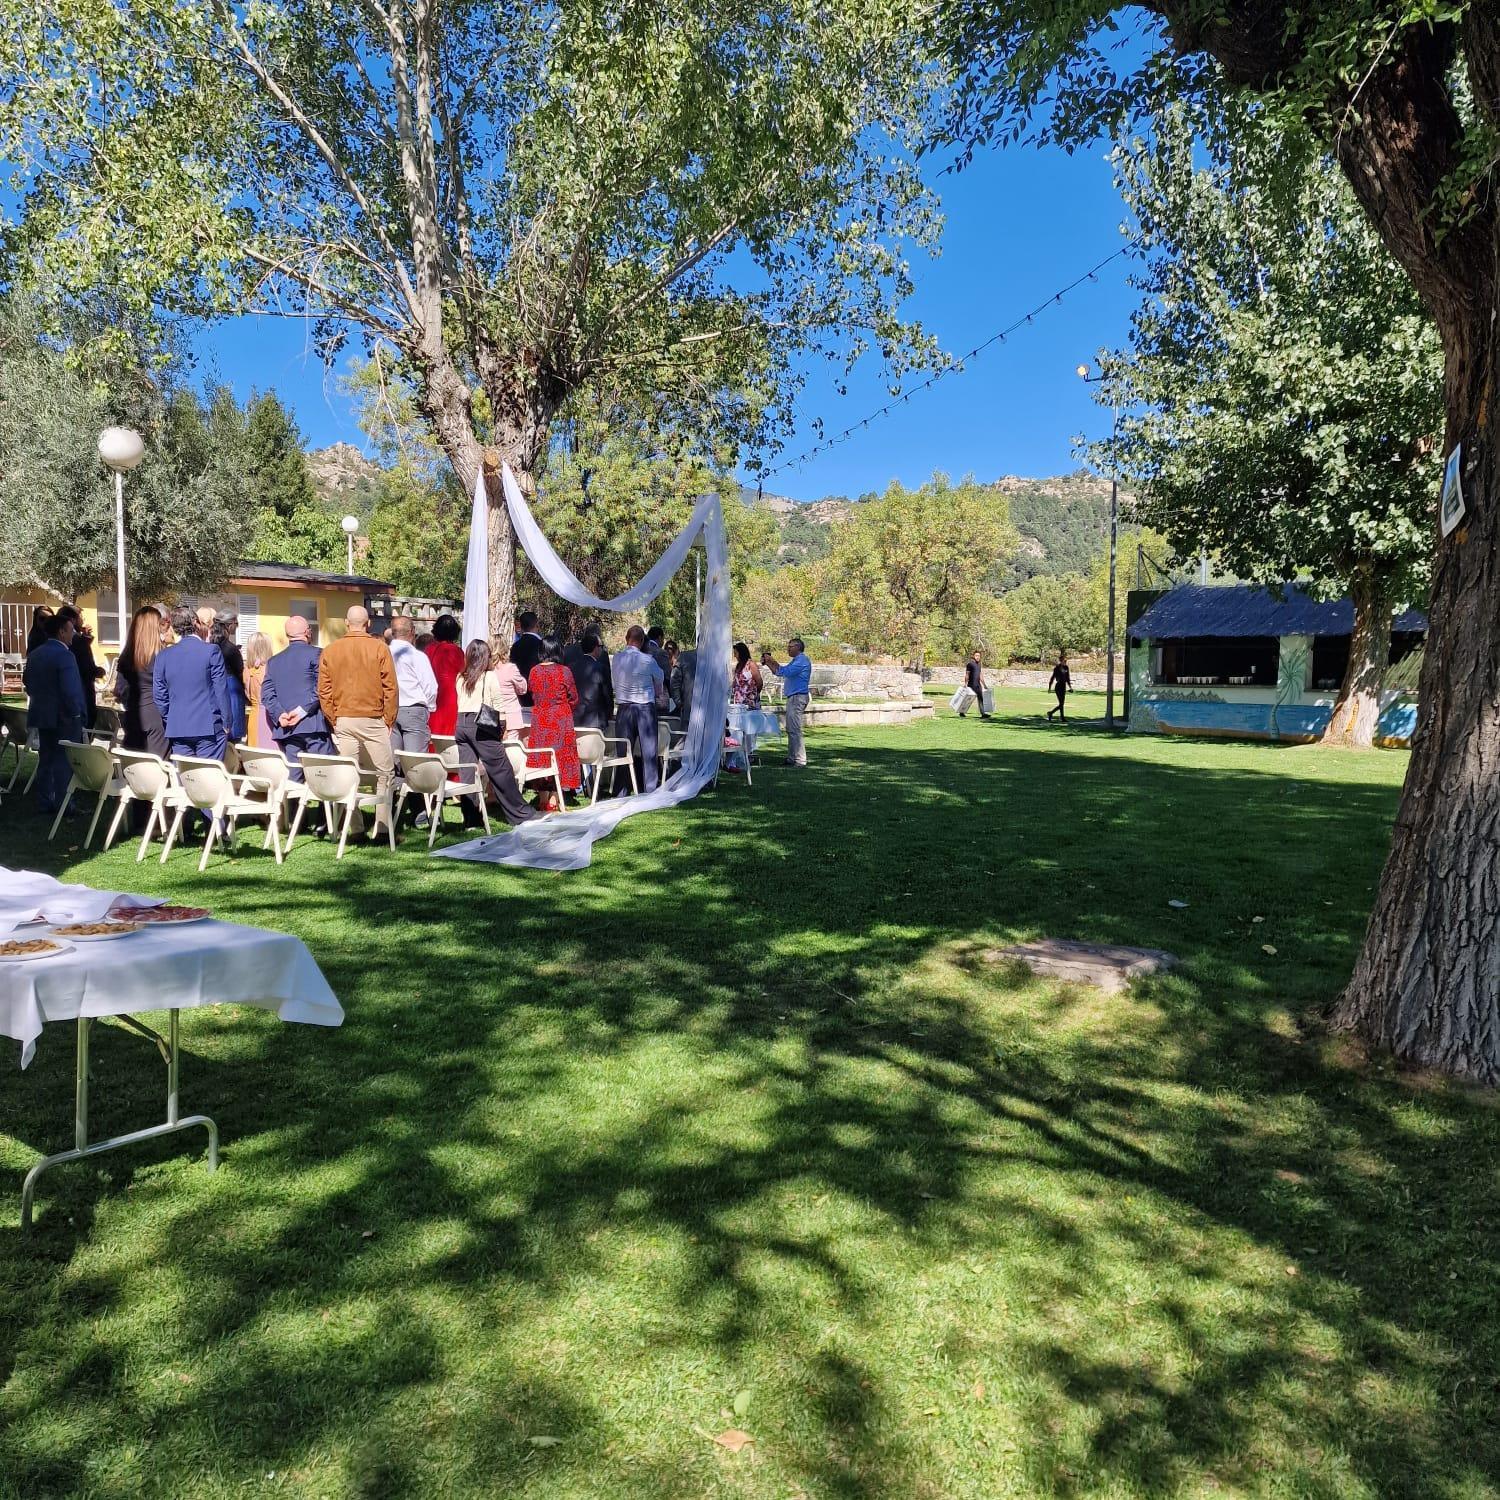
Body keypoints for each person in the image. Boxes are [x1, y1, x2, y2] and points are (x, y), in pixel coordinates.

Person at [317, 605, 398, 839]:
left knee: (349, 774)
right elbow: (390, 687)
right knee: (385, 773)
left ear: (346, 622)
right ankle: (382, 827)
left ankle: (356, 828)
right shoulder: (379, 648)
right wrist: (389, 718)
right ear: (368, 623)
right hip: (373, 718)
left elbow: (324, 690)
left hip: (343, 718)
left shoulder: (331, 650)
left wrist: (334, 717)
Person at [454, 639, 537, 825]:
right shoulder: (489, 676)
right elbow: (498, 706)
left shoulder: (461, 676)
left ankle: (470, 818)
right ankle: (520, 813)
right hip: (481, 725)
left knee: (467, 771)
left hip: (461, 724)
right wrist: (502, 729)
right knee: (501, 769)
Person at [23, 613, 85, 815]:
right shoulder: (65, 655)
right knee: (63, 761)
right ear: (61, 632)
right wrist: (77, 713)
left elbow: (27, 682)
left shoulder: (35, 653)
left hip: (42, 713)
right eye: (71, 630)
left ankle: (45, 800)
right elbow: (71, 689)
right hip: (64, 717)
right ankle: (65, 804)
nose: (73, 633)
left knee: (46, 758)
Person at [154, 604, 233, 761]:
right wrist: (227, 722)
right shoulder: (211, 651)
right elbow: (220, 689)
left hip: (178, 726)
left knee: (185, 778)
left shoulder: (163, 656)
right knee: (208, 777)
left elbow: (159, 695)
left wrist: (171, 718)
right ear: (196, 623)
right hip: (209, 726)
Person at [261, 614, 334, 779]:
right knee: (321, 776)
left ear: (287, 635)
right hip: (313, 725)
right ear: (308, 632)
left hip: (287, 727)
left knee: (294, 778)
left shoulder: (274, 661)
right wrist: (301, 711)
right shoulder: (318, 654)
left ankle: (293, 806)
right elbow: (321, 687)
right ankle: (322, 806)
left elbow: (266, 693)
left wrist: (280, 714)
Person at [527, 636, 581, 811]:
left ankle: (543, 799)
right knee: (559, 759)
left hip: (540, 720)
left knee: (542, 759)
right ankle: (554, 799)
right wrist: (563, 707)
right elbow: (574, 697)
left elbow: (532, 694)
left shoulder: (534, 671)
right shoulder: (564, 671)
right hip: (560, 721)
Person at [612, 625, 665, 793]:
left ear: (626, 638)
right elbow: (660, 680)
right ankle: (650, 788)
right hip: (644, 708)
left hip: (624, 708)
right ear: (642, 641)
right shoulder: (648, 660)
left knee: (623, 751)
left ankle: (622, 789)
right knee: (649, 751)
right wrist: (655, 692)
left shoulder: (617, 659)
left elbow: (614, 683)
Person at [115, 605, 170, 757]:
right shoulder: (162, 657)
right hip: (157, 718)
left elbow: (119, 690)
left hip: (132, 716)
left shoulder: (126, 657)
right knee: (158, 770)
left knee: (137, 769)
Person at [389, 614, 438, 757]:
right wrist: (430, 706)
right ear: (412, 632)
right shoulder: (417, 656)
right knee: (415, 762)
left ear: (392, 633)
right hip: (413, 709)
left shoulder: (383, 654)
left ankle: (397, 781)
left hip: (390, 709)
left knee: (394, 761)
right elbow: (430, 686)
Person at [762, 637, 812, 767]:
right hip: (793, 697)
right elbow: (779, 672)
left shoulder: (802, 660)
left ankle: (800, 760)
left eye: (791, 646)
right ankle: (791, 757)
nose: (788, 648)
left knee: (795, 729)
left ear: (798, 647)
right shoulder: (795, 660)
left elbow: (785, 672)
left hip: (798, 697)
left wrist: (772, 660)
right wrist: (768, 663)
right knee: (790, 729)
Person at [56, 605, 104, 729]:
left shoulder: (49, 647)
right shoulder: (76, 642)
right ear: (72, 620)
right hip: (81, 694)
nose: (82, 619)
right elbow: (86, 667)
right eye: (80, 616)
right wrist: (99, 671)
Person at [424, 613, 465, 738]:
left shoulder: (429, 649)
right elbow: (464, 672)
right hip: (450, 696)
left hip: (431, 694)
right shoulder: (455, 650)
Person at [564, 629, 614, 731]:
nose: (601, 649)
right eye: (601, 647)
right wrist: (609, 713)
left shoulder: (570, 668)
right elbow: (607, 694)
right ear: (596, 648)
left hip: (575, 718)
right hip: (595, 720)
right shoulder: (601, 668)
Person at [211, 609, 246, 742]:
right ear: (229, 624)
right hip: (231, 689)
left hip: (214, 689)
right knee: (233, 735)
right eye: (236, 623)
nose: (237, 626)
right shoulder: (231, 649)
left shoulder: (210, 646)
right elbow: (239, 671)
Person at [242, 631, 276, 747]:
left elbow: (247, 694)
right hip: (269, 717)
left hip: (253, 715)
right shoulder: (270, 669)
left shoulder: (247, 669)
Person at [510, 609, 545, 704]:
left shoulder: (515, 646)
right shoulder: (541, 645)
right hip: (539, 695)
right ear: (537, 624)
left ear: (521, 626)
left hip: (520, 696)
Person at [731, 641, 762, 709]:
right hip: (739, 701)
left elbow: (759, 683)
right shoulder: (738, 666)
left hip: (750, 701)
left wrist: (753, 694)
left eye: (736, 653)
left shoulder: (751, 664)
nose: (734, 655)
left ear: (741, 653)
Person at [961, 650, 990, 720]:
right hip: (971, 684)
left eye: (979, 656)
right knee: (969, 699)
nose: (978, 657)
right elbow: (967, 674)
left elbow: (980, 675)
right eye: (976, 655)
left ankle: (983, 713)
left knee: (980, 698)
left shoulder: (979, 665)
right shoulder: (970, 664)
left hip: (978, 685)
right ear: (973, 656)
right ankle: (962, 712)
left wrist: (984, 685)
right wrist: (965, 683)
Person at [1047, 651, 1072, 722]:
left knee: (1062, 703)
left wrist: (1070, 687)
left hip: (1063, 686)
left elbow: (1067, 678)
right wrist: (1049, 687)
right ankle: (1053, 714)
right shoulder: (1057, 668)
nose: (1065, 661)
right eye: (1064, 660)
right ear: (1061, 660)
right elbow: (1052, 677)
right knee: (1061, 703)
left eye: (1066, 660)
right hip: (1058, 686)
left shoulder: (1066, 667)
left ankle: (1059, 716)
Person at [664, 639, 685, 715]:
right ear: (677, 651)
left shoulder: (663, 667)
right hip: (677, 706)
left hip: (668, 706)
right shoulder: (680, 667)